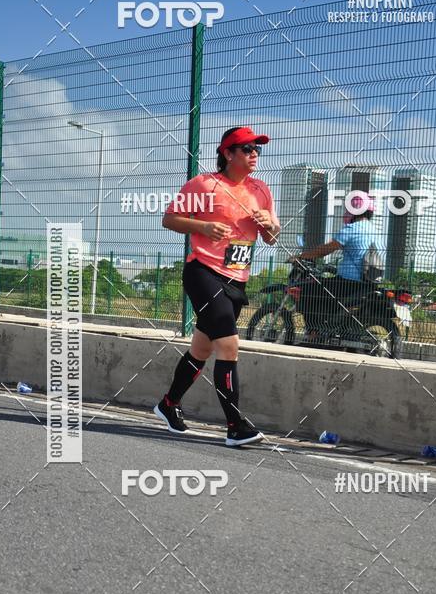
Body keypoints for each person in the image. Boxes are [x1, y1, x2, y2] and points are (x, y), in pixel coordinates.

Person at [155, 126, 280, 446]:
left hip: (237, 280)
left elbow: (272, 236)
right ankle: (236, 426)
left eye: (258, 149)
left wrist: (269, 224)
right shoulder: (204, 184)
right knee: (229, 346)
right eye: (247, 149)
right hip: (203, 273)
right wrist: (203, 226)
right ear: (227, 153)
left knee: (201, 349)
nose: (255, 154)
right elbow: (170, 219)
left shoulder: (261, 190)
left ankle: (168, 404)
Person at [292, 195, 383, 341]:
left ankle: (313, 333)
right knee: (325, 290)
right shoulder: (376, 231)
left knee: (309, 290)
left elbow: (326, 249)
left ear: (354, 210)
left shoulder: (352, 229)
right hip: (368, 283)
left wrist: (301, 256)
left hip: (348, 283)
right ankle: (328, 329)